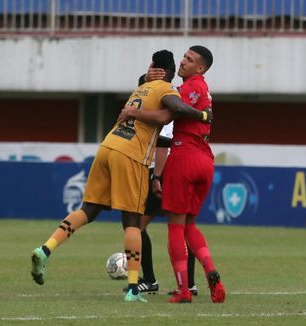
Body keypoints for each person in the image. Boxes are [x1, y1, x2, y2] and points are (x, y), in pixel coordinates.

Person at [30, 50, 212, 303]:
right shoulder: (168, 91)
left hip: (107, 146)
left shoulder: (140, 89)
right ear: (169, 73)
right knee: (135, 222)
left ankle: (46, 248)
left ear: (152, 69)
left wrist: (146, 80)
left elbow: (149, 95)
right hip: (131, 154)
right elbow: (170, 113)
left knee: (88, 209)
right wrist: (203, 115)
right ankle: (135, 288)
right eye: (181, 60)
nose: (184, 62)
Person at [118, 46, 226, 304]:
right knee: (190, 225)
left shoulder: (190, 87)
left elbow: (165, 115)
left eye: (190, 60)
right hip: (205, 159)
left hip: (184, 157)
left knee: (175, 228)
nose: (183, 62)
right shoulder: (203, 91)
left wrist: (133, 111)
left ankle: (183, 290)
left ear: (200, 68)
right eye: (184, 57)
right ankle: (211, 272)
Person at [121, 74, 199, 296]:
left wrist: (157, 178)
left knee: (139, 225)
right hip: (171, 171)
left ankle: (151, 280)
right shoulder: (163, 109)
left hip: (164, 174)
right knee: (180, 227)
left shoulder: (162, 115)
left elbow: (164, 145)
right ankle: (189, 283)